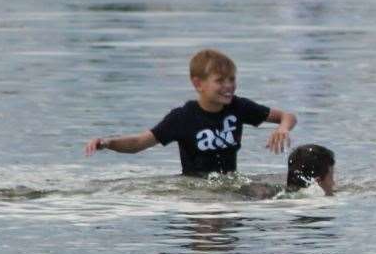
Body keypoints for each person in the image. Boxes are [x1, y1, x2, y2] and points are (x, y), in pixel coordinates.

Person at [84, 48, 296, 177]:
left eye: (232, 79)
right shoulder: (182, 118)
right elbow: (140, 142)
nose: (229, 86)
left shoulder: (239, 107)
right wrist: (106, 143)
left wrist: (283, 128)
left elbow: (287, 116)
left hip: (229, 186)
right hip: (197, 191)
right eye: (220, 81)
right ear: (198, 83)